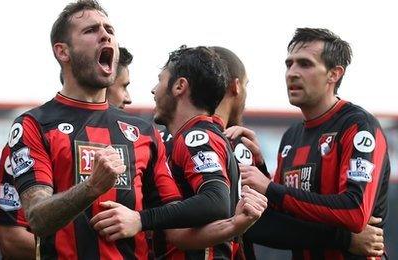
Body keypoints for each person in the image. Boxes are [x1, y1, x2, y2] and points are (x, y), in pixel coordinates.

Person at [90, 46, 268, 259]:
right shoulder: (194, 136)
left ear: (179, 86)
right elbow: (180, 234)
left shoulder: (196, 138)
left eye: (160, 80)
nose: (154, 90)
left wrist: (140, 219)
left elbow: (216, 200)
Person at [229, 28, 389, 259]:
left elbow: (355, 212)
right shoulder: (291, 137)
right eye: (289, 64)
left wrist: (271, 188)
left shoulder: (358, 126)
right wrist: (260, 167)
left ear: (334, 74)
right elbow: (282, 212)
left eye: (305, 64)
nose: (292, 73)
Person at [0, 46, 135, 259]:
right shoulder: (29, 141)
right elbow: (11, 239)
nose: (128, 97)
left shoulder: (138, 140)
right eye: (123, 86)